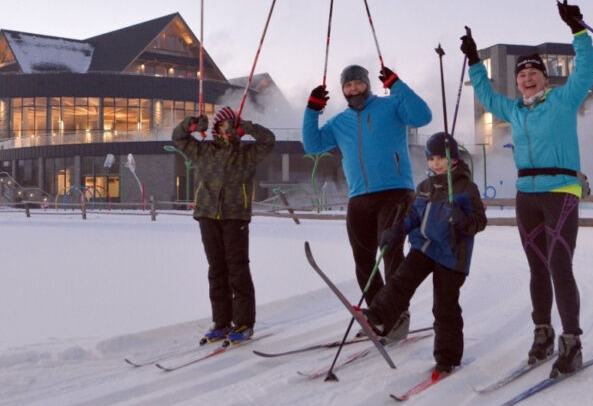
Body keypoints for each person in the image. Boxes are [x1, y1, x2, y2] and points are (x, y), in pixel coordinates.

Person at [459, 0, 593, 377]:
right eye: (522, 75)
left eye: (534, 72)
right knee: (537, 267)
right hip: (527, 194)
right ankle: (543, 334)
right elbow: (486, 97)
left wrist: (578, 30)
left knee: (558, 264)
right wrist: (474, 59)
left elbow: (586, 71)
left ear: (546, 78)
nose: (527, 78)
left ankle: (572, 341)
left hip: (561, 191)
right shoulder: (516, 111)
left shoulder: (564, 100)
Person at [303, 64, 432, 339]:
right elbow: (313, 145)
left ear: (367, 84)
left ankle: (397, 314)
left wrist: (397, 84)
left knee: (390, 253)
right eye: (348, 86)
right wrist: (312, 110)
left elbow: (423, 116)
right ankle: (378, 314)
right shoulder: (339, 122)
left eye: (357, 83)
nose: (353, 89)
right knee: (363, 261)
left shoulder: (391, 106)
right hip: (359, 196)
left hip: (395, 191)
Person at [362, 132, 487, 376]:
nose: (436, 163)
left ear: (453, 158)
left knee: (444, 307)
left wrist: (461, 219)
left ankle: (447, 357)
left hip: (451, 255)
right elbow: (412, 216)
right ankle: (378, 317)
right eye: (432, 159)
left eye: (442, 157)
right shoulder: (425, 187)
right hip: (424, 247)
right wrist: (395, 231)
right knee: (400, 281)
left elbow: (479, 221)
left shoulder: (465, 187)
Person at [172, 106, 276, 343]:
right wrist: (192, 124)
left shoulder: (247, 153)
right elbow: (178, 137)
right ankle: (221, 322)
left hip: (235, 216)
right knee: (216, 270)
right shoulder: (203, 150)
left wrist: (248, 127)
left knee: (237, 269)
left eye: (231, 124)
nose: (226, 128)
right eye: (222, 124)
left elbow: (269, 140)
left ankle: (243, 323)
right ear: (215, 127)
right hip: (208, 215)